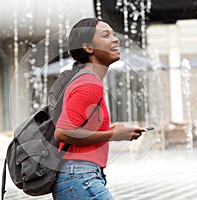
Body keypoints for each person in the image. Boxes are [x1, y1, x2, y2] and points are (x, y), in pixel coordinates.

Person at [52, 18, 146, 200]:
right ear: (88, 47)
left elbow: (77, 129)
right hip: (79, 177)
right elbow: (63, 132)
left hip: (79, 175)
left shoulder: (85, 79)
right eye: (105, 35)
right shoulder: (89, 83)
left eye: (113, 34)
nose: (115, 39)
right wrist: (113, 135)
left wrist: (113, 131)